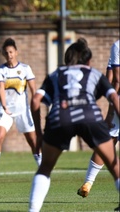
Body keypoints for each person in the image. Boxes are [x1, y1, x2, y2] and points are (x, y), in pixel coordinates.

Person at [28, 38, 120, 212]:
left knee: (45, 167)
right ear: (88, 61)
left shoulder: (56, 74)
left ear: (66, 60)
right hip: (89, 116)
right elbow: (114, 96)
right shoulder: (93, 73)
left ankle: (33, 210)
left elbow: (35, 101)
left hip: (60, 117)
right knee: (114, 165)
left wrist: (39, 134)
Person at [0, 38, 42, 179]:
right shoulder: (0, 70)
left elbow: (33, 89)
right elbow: (0, 89)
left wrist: (35, 107)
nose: (9, 55)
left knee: (33, 141)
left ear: (16, 52)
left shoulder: (25, 69)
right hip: (6, 110)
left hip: (23, 110)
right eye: (6, 53)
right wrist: (4, 106)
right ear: (3, 54)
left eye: (11, 52)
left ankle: (41, 166)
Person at [77, 39, 119, 198]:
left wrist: (110, 111)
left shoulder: (117, 47)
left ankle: (88, 182)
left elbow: (113, 80)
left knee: (107, 142)